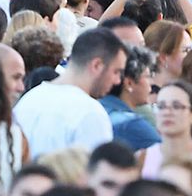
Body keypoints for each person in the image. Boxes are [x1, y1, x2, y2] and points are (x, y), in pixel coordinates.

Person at [13, 27, 125, 157]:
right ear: (97, 65)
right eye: (116, 72)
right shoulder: (90, 113)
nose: (117, 81)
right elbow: (96, 174)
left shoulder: (30, 98)